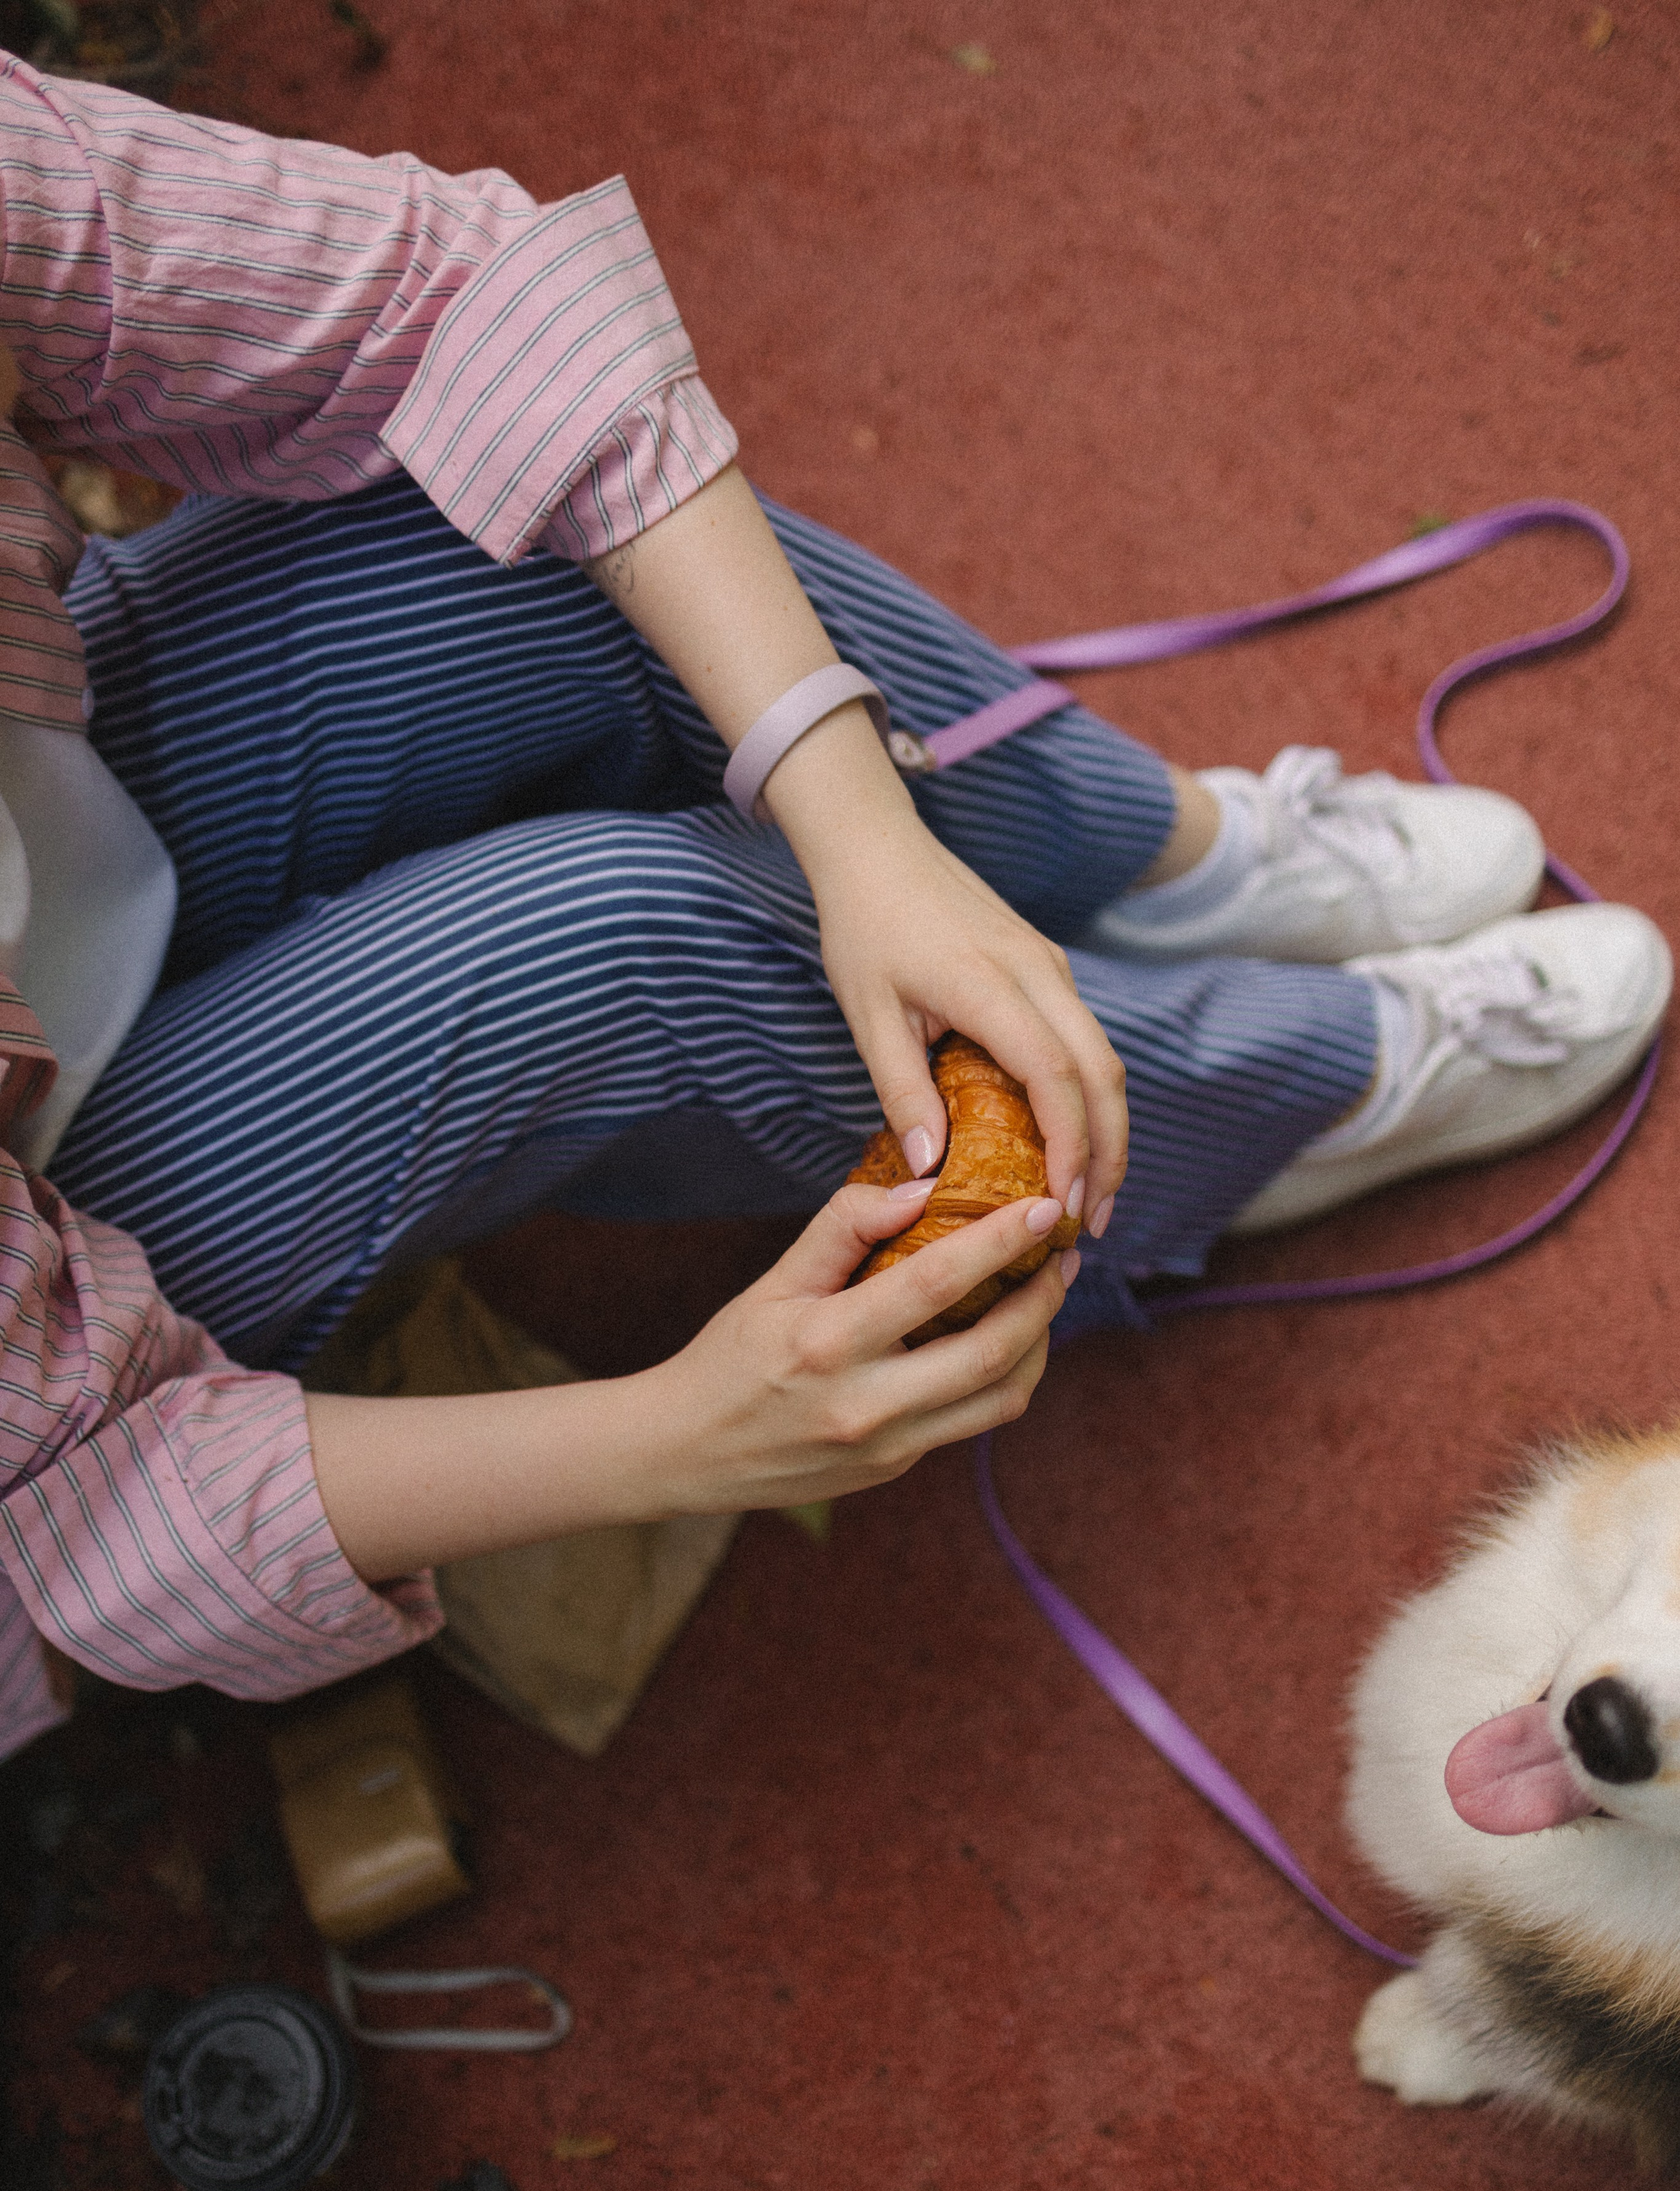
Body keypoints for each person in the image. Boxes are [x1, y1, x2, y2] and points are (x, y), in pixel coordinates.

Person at [0, 53, 1666, 1762]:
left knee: (473, 522)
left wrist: (864, 830)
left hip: (59, 821)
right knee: (607, 937)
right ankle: (1238, 1104)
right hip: (45, 1315)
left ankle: (1157, 859)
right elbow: (64, 1518)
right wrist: (681, 1430)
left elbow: (452, 305)